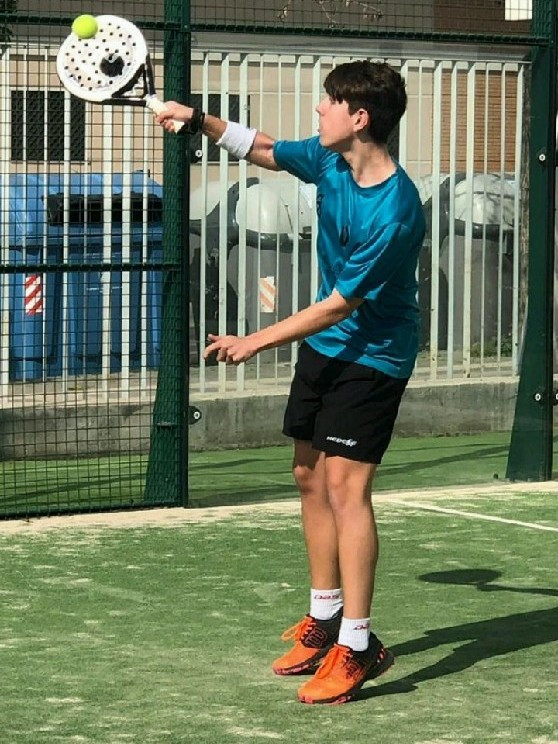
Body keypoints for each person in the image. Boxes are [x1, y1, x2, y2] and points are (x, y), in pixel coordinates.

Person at [155, 60, 425, 705]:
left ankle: (358, 644)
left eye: (329, 102)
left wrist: (254, 341)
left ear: (359, 118)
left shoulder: (396, 210)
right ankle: (324, 618)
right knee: (307, 474)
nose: (318, 111)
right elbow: (268, 149)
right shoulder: (331, 160)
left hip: (374, 355)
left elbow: (339, 305)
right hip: (326, 349)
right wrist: (196, 119)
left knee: (346, 487)